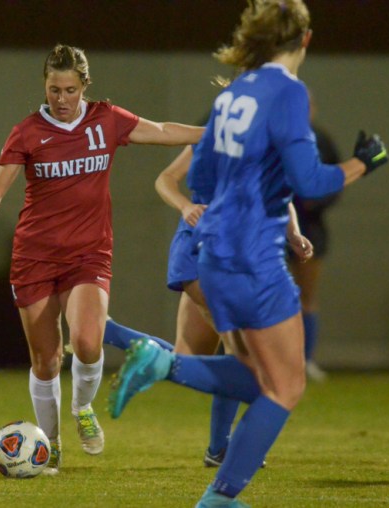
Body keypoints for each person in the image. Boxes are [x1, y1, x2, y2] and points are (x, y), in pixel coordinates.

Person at [106, 1, 388, 506]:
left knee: (261, 378)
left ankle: (219, 487)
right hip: (254, 255)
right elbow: (311, 181)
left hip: (213, 250)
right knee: (286, 386)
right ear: (304, 40)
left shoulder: (232, 95)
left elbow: (206, 178)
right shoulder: (287, 92)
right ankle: (214, 481)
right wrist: (363, 163)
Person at [0, 43, 204, 475]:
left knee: (90, 342)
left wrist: (212, 134)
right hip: (35, 256)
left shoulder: (106, 119)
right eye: (54, 89)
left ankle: (82, 409)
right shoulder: (27, 131)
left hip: (88, 253)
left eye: (69, 89)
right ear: (45, 86)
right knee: (47, 359)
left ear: (84, 87)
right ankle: (49, 444)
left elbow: (163, 130)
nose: (60, 98)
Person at [104, 144, 312, 468]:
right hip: (203, 253)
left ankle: (107, 331)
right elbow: (165, 179)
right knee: (245, 359)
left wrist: (294, 234)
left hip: (235, 258)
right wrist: (185, 205)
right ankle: (219, 450)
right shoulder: (214, 136)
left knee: (185, 361)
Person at [289, 91, 343, 382]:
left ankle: (305, 360)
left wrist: (316, 201)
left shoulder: (320, 139)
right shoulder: (275, 135)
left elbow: (337, 180)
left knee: (306, 295)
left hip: (309, 228)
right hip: (271, 225)